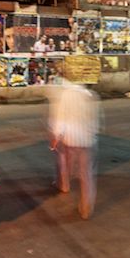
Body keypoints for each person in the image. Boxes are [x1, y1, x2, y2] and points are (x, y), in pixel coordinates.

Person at [48, 81, 101, 219]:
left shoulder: (67, 95)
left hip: (71, 140)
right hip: (88, 141)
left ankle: (64, 185)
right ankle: (85, 208)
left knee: (66, 164)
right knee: (86, 175)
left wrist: (56, 136)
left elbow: (61, 118)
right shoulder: (91, 95)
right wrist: (92, 133)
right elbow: (97, 120)